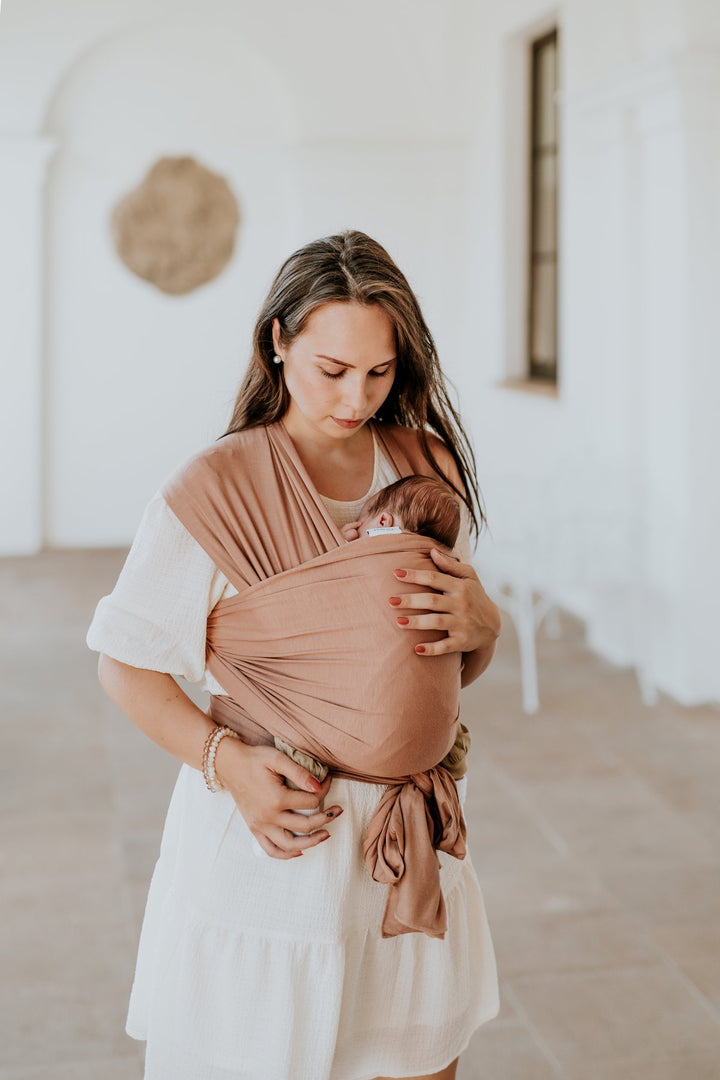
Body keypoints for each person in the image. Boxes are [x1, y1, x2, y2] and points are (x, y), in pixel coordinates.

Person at [87, 229, 501, 1080]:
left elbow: (432, 665)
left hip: (401, 843)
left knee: (419, 1062)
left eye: (380, 372)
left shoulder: (421, 465)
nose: (357, 397)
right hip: (276, 841)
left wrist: (484, 626)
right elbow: (124, 663)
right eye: (332, 370)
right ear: (278, 342)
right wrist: (223, 761)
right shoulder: (214, 490)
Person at [340, 473, 461, 550]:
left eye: (360, 520)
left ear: (383, 522)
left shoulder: (372, 555)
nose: (355, 528)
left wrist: (339, 545)